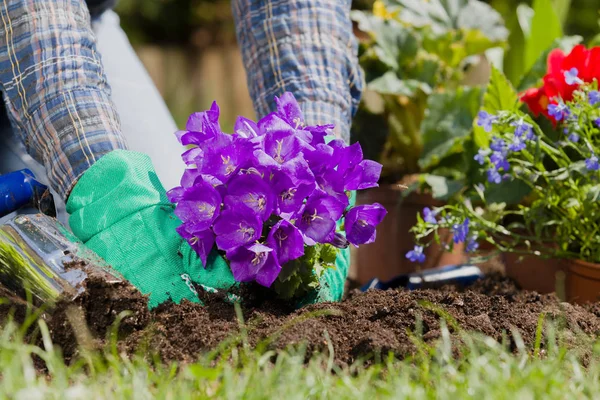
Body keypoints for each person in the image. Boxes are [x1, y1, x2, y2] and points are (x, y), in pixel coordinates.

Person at [0, 0, 364, 308]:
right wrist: (108, 193)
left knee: (171, 242)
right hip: (34, 23)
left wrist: (321, 166)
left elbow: (294, 10)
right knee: (85, 252)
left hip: (81, 21)